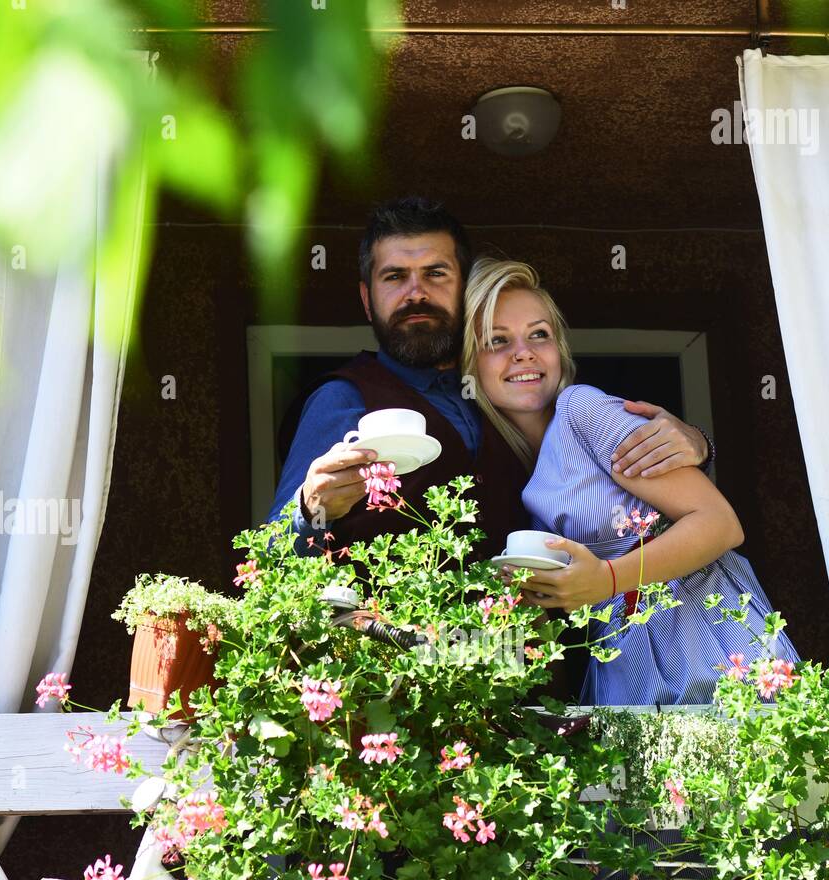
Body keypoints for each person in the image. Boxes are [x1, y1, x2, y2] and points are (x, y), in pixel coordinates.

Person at [268, 197, 714, 562]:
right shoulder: (343, 398)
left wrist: (697, 443)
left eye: (435, 273)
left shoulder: (510, 393)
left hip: (544, 661)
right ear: (368, 299)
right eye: (394, 277)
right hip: (397, 662)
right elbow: (269, 560)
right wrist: (310, 511)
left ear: (465, 290)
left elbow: (614, 469)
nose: (416, 292)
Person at [463, 258, 800, 704]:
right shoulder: (517, 468)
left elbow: (720, 524)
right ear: (469, 365)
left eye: (538, 334)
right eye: (497, 341)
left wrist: (605, 578)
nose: (522, 352)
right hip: (626, 652)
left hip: (701, 629)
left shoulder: (582, 409)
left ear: (559, 351)